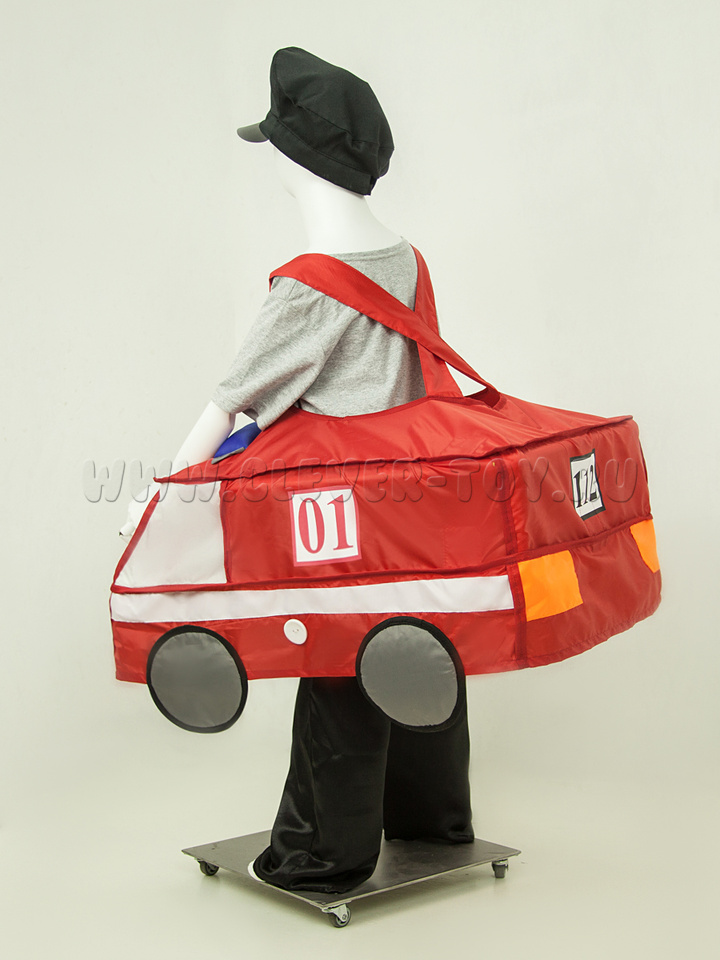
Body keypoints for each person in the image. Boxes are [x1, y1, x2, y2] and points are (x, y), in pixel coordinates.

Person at [122, 46, 474, 894]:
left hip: (338, 517)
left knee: (338, 663)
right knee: (418, 648)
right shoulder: (407, 259)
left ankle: (322, 854)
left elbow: (231, 403)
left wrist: (164, 496)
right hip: (414, 505)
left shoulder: (310, 285)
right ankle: (433, 824)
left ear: (297, 159)